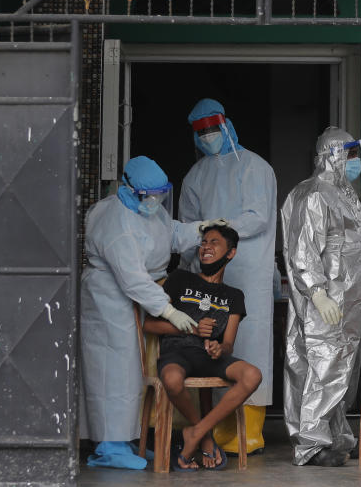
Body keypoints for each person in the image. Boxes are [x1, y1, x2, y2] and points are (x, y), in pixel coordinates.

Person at [80, 156, 216, 470]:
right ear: (128, 188)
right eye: (149, 196)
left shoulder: (146, 209)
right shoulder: (115, 220)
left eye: (160, 194)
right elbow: (133, 278)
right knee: (112, 370)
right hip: (108, 301)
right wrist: (168, 309)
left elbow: (170, 234)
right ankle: (108, 446)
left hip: (133, 300)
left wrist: (202, 229)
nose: (155, 201)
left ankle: (128, 438)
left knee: (133, 373)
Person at [179, 98, 277, 454]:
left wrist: (217, 227)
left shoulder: (255, 168)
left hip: (249, 272)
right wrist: (190, 268)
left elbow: (258, 218)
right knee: (215, 348)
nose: (207, 137)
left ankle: (251, 430)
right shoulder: (196, 175)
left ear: (226, 126)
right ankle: (220, 428)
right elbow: (188, 228)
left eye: (211, 129)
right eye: (199, 132)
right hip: (210, 280)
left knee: (249, 343)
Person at [280, 126, 361, 467]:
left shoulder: (344, 193)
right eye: (348, 154)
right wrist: (317, 292)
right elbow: (302, 248)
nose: (354, 162)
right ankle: (312, 443)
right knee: (319, 367)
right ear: (332, 155)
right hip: (326, 299)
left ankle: (335, 437)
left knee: (338, 370)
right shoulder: (314, 193)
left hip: (347, 301)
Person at [144, 223, 263, 471]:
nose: (206, 247)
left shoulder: (234, 296)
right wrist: (191, 328)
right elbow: (150, 325)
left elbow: (228, 343)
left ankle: (195, 431)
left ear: (231, 253)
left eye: (214, 242)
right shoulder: (179, 279)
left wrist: (221, 349)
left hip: (209, 357)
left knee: (252, 375)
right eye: (204, 243)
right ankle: (205, 436)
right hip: (177, 352)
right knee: (172, 380)